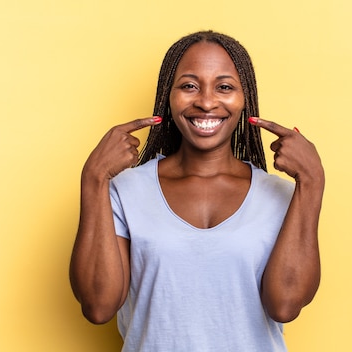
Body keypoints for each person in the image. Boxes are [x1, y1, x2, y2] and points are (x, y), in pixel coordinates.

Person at [70, 30, 325, 351]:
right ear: (168, 96)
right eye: (189, 86)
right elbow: (98, 306)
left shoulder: (281, 196)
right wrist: (93, 178)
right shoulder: (125, 191)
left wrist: (312, 182)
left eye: (225, 87)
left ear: (245, 98)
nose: (206, 101)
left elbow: (285, 306)